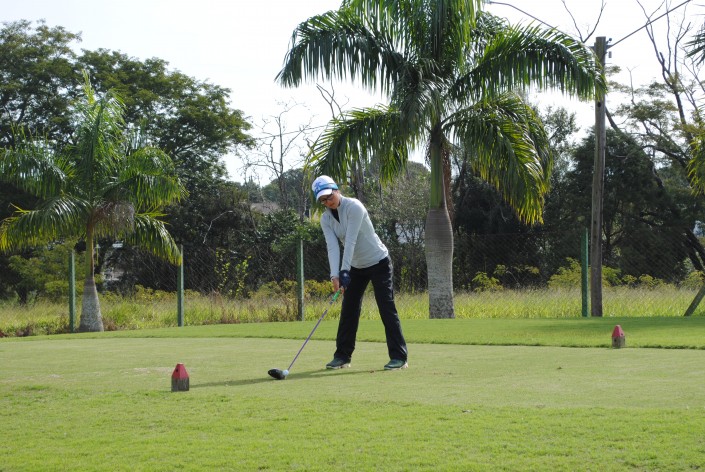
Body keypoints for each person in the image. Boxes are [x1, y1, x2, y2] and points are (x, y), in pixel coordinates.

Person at [311, 175, 408, 371]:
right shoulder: (325, 219)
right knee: (349, 309)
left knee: (386, 307)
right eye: (323, 200)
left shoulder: (354, 207)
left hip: (378, 262)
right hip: (356, 267)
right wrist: (335, 276)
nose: (328, 202)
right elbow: (332, 247)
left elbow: (351, 241)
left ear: (337, 190)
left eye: (329, 196)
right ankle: (342, 356)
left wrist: (344, 271)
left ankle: (399, 357)